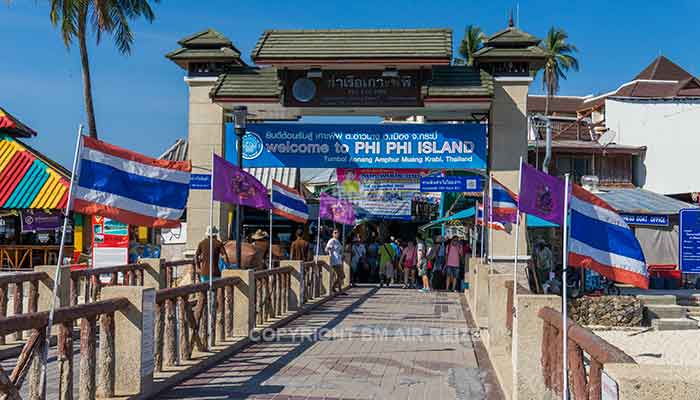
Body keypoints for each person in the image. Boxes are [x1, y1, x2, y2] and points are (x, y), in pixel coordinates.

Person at [325, 229, 345, 294]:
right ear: (332, 234)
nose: (337, 233)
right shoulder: (332, 240)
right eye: (335, 232)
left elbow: (340, 250)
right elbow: (326, 248)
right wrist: (329, 254)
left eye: (337, 232)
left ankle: (336, 288)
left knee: (341, 276)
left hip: (338, 260)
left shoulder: (338, 241)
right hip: (335, 260)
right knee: (341, 275)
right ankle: (337, 288)